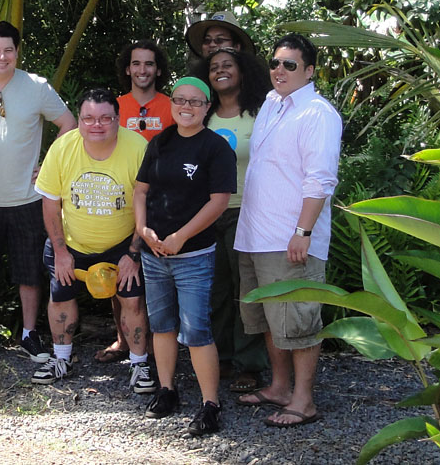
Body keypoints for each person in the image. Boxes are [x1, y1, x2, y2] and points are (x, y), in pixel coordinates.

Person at [235, 33, 342, 427]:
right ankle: (280, 387)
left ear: (310, 71)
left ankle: (304, 400)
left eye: (290, 64)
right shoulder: (270, 103)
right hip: (254, 236)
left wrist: (304, 231)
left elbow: (321, 180)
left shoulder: (317, 112)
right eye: (276, 63)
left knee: (298, 320)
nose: (279, 70)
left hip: (290, 238)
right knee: (266, 319)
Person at [0, 21, 76, 362]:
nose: (2, 57)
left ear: (17, 52)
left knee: (28, 270)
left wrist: (50, 165)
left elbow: (68, 123)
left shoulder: (36, 86)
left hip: (27, 197)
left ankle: (29, 332)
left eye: (9, 50)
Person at [32, 88, 156, 394]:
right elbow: (50, 203)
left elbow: (150, 203)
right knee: (60, 296)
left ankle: (139, 363)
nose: (96, 125)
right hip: (72, 241)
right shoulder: (62, 148)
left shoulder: (137, 146)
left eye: (105, 118)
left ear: (118, 119)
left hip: (124, 241)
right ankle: (61, 359)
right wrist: (60, 251)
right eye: (88, 118)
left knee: (133, 298)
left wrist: (134, 253)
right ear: (79, 120)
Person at [133, 77, 236, 436]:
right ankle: (167, 391)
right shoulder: (160, 142)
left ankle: (210, 404)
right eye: (180, 100)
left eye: (195, 102)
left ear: (207, 107)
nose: (186, 107)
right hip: (154, 253)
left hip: (193, 254)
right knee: (161, 325)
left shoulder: (216, 148)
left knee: (197, 330)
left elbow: (219, 200)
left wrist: (181, 237)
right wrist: (144, 230)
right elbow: (141, 191)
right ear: (171, 104)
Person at [194, 48, 271, 393]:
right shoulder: (203, 114)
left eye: (228, 66)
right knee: (215, 289)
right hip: (207, 214)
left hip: (248, 212)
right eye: (214, 68)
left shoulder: (260, 113)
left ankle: (250, 364)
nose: (220, 71)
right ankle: (220, 357)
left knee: (247, 292)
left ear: (243, 72)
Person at [92, 39, 173, 365]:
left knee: (156, 274)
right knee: (118, 271)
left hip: (162, 199)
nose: (143, 70)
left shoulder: (170, 106)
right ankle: (123, 339)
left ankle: (157, 341)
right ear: (127, 68)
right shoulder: (115, 105)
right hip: (120, 199)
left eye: (149, 64)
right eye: (136, 64)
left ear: (158, 69)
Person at [185, 11, 256, 59]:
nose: (212, 45)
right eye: (207, 40)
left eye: (219, 40)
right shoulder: (195, 79)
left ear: (236, 47)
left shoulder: (250, 79)